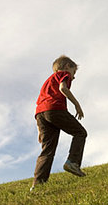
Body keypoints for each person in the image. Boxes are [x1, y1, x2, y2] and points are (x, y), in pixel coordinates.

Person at [31, 55, 87, 191]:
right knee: (80, 132)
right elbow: (63, 88)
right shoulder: (63, 75)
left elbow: (39, 105)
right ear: (67, 66)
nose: (73, 77)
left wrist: (40, 129)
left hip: (41, 115)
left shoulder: (47, 82)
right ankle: (73, 162)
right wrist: (77, 105)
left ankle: (38, 185)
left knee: (47, 150)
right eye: (74, 72)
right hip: (55, 109)